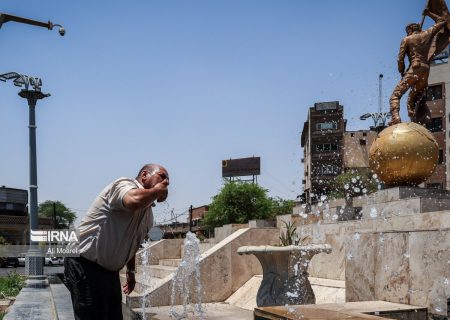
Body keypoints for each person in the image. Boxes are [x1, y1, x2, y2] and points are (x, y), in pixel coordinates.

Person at [64, 164, 169, 320]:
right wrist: (155, 191)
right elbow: (132, 201)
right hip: (84, 263)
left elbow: (133, 244)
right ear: (145, 175)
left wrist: (131, 273)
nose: (166, 182)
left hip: (109, 271)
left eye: (168, 180)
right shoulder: (124, 184)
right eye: (162, 176)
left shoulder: (148, 216)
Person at [389, 11, 448, 126]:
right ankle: (415, 119)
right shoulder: (427, 33)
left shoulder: (407, 39)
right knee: (413, 98)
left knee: (395, 95)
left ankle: (396, 118)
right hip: (426, 70)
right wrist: (430, 13)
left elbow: (400, 60)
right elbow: (442, 21)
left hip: (414, 69)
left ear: (410, 30)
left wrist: (402, 71)